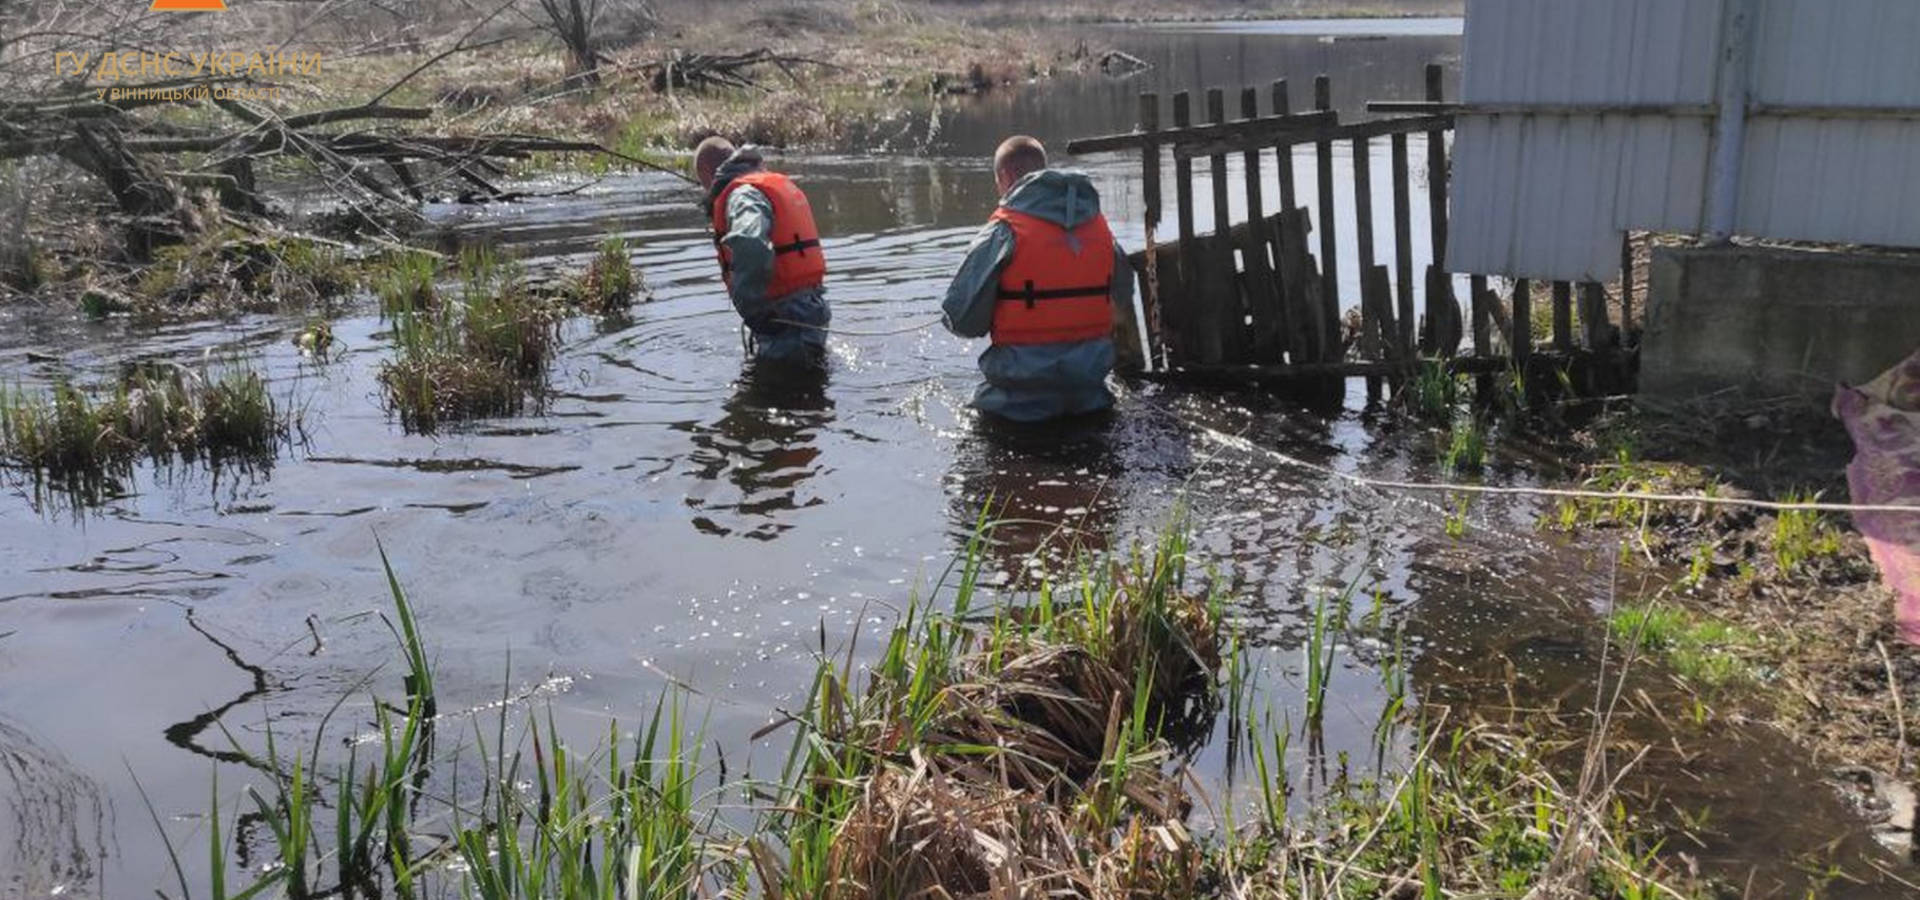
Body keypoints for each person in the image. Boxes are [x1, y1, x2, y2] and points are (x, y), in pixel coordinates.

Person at [941, 136, 1133, 423]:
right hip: (1090, 397)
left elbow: (963, 320)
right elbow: (1122, 296)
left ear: (1005, 177)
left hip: (1016, 407)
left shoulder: (1003, 232)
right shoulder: (1101, 230)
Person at [695, 137, 831, 366]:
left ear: (708, 172)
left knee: (780, 396)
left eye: (702, 183)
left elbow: (751, 243)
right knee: (808, 391)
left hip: (784, 320)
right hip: (808, 310)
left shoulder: (742, 195)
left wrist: (750, 304)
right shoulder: (761, 183)